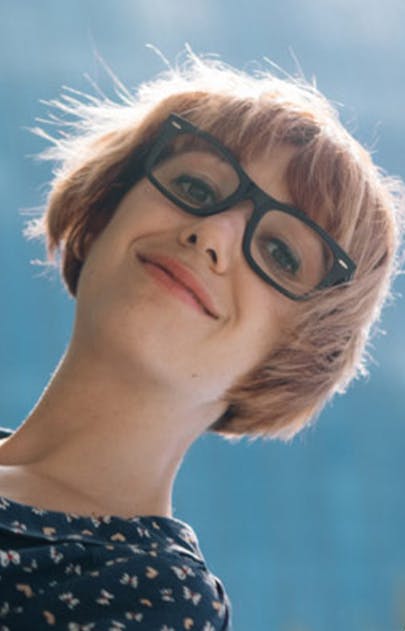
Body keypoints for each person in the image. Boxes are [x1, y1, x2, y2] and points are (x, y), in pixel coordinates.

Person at [0, 51, 403, 630]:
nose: (212, 231)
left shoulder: (158, 600)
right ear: (106, 206)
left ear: (293, 356)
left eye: (280, 253)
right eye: (194, 183)